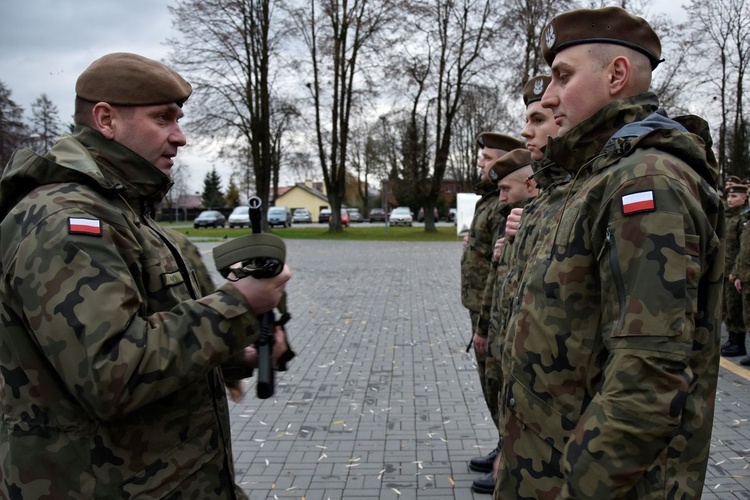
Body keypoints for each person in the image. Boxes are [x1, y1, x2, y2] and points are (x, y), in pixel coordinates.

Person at [0, 52, 292, 498]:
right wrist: (239, 304)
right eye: (163, 118)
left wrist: (245, 353)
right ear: (106, 119)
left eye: (178, 118)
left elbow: (164, 336)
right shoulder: (64, 221)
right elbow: (111, 373)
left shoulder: (133, 219)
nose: (180, 137)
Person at [495, 7, 723, 499]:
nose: (550, 94)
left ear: (617, 75)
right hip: (540, 467)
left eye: (563, 76)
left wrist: (579, 487)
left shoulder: (646, 182)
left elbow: (647, 378)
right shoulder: (589, 178)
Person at [472, 148, 539, 494]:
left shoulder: (538, 218)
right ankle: (505, 449)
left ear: (529, 183)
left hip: (521, 334)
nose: (500, 197)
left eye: (505, 189)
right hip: (499, 324)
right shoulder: (510, 215)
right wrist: (483, 326)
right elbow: (496, 277)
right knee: (498, 392)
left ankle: (509, 459)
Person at [461, 132, 524, 483]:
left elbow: (500, 266)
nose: (480, 164)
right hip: (482, 307)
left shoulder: (504, 203)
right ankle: (503, 446)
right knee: (492, 386)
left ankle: (509, 456)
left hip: (495, 311)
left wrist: (485, 324)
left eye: (486, 158)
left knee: (498, 385)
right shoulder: (489, 200)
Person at [722, 183, 748, 357]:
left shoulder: (743, 219)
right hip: (725, 269)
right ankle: (732, 340)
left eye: (735, 197)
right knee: (727, 307)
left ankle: (738, 343)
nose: (730, 200)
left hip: (736, 270)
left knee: (737, 308)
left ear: (744, 198)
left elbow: (744, 249)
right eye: (729, 197)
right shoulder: (728, 217)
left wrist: (737, 272)